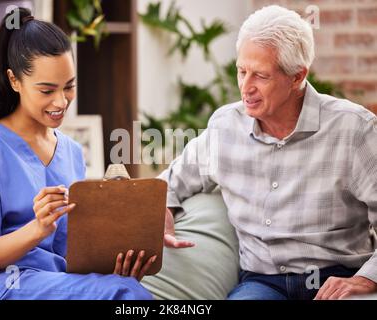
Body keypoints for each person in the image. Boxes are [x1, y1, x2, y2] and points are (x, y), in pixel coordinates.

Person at [160, 5, 377, 300]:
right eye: (241, 71)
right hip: (263, 283)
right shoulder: (225, 127)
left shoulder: (355, 129)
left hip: (338, 278)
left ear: (297, 77)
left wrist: (367, 278)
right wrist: (162, 211)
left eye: (260, 75)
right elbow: (169, 183)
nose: (245, 87)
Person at [0, 8, 154, 300]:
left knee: (124, 286)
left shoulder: (71, 151)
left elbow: (70, 252)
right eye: (46, 90)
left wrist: (111, 265)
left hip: (50, 278)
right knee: (123, 294)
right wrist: (38, 228)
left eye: (69, 87)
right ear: (14, 80)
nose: (61, 101)